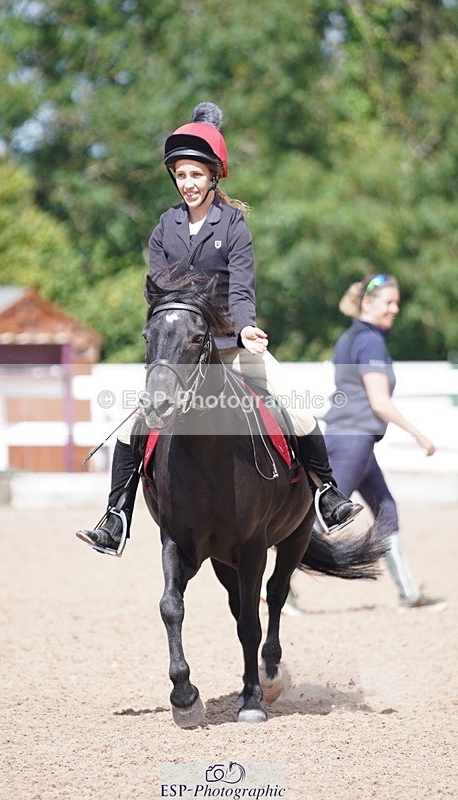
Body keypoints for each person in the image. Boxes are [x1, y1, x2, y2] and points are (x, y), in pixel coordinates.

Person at [76, 102, 362, 556]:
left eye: (196, 174)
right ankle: (116, 516)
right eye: (181, 175)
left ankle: (327, 494)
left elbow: (242, 289)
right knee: (137, 424)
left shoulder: (233, 226)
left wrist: (247, 329)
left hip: (231, 343)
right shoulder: (164, 228)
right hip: (183, 351)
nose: (187, 184)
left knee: (297, 408)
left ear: (214, 176)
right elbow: (160, 293)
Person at [323, 273, 447, 611]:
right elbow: (379, 401)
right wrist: (419, 434)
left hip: (354, 439)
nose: (394, 309)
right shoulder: (370, 342)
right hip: (354, 439)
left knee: (386, 508)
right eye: (388, 302)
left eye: (397, 303)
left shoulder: (350, 337)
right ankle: (275, 586)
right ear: (367, 303)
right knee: (324, 519)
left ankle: (409, 593)